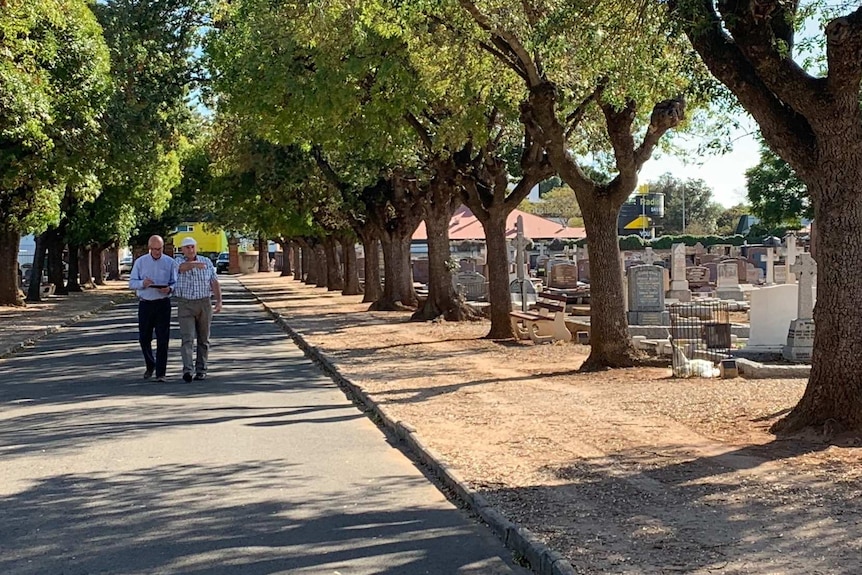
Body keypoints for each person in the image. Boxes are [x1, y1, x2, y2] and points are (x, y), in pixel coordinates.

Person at [128, 235, 178, 382]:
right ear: (149, 248)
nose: (157, 252)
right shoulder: (140, 262)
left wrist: (169, 289)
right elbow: (131, 283)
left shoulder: (169, 262)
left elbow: (176, 283)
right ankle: (151, 364)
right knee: (144, 338)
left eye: (160, 249)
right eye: (155, 249)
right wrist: (143, 283)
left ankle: (161, 373)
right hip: (145, 303)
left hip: (162, 303)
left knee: (163, 338)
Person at [174, 237, 222, 382]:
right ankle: (188, 370)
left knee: (203, 338)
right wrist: (194, 265)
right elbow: (181, 269)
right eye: (187, 247)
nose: (190, 250)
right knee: (187, 338)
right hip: (185, 303)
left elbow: (214, 281)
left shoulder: (206, 261)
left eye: (192, 247)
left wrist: (219, 300)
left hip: (204, 302)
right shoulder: (177, 261)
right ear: (182, 249)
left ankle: (201, 369)